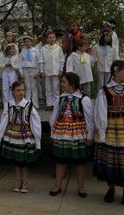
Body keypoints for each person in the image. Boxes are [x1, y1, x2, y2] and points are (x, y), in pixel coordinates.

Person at [49, 72, 94, 198]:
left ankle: (81, 188)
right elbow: (54, 116)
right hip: (62, 133)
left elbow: (90, 119)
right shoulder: (60, 98)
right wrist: (53, 133)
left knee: (80, 162)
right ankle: (57, 186)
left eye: (64, 82)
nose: (62, 84)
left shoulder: (84, 99)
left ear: (72, 84)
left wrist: (90, 136)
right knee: (60, 160)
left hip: (78, 134)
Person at [0, 81, 42, 192]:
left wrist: (38, 141)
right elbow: (4, 122)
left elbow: (36, 124)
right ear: (12, 91)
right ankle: (18, 181)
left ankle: (24, 182)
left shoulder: (29, 106)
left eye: (22, 90)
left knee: (24, 162)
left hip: (25, 137)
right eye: (18, 90)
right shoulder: (9, 105)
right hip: (12, 136)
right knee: (16, 162)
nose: (21, 93)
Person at [93, 60, 124, 204]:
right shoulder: (104, 91)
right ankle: (111, 189)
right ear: (116, 72)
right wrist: (102, 133)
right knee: (110, 160)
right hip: (111, 129)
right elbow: (100, 113)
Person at [40, 33, 64, 109]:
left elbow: (62, 60)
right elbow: (41, 61)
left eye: (53, 37)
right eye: (50, 37)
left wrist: (61, 70)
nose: (52, 39)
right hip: (47, 71)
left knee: (56, 88)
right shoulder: (43, 48)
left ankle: (56, 104)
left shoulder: (58, 48)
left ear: (55, 38)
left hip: (56, 71)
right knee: (48, 89)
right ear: (47, 39)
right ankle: (49, 104)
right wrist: (41, 71)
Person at [19, 35, 40, 109]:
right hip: (25, 70)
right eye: (25, 42)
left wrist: (37, 72)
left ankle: (35, 104)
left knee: (33, 87)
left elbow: (38, 61)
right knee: (27, 87)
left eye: (28, 41)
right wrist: (21, 73)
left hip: (33, 69)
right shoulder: (23, 51)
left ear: (32, 42)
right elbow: (20, 62)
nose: (27, 43)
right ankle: (27, 103)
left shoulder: (36, 50)